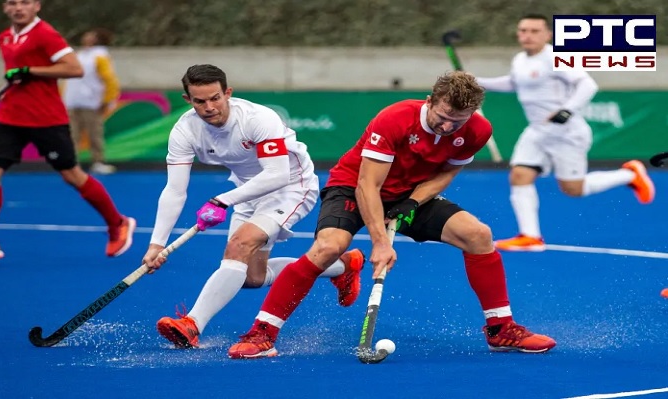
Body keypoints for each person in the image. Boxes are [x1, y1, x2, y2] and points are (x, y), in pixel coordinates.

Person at [227, 71, 557, 359]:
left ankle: (500, 329)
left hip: (410, 193)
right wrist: (380, 242)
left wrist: (412, 203)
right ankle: (262, 333)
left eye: (456, 121)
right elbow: (367, 185)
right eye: (442, 116)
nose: (446, 126)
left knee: (478, 235)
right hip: (353, 187)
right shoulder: (395, 119)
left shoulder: (477, 131)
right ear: (430, 100)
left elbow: (445, 174)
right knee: (327, 249)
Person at [142, 64, 364, 349]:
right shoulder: (184, 130)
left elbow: (277, 174)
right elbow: (174, 190)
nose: (209, 107)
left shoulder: (258, 118)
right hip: (248, 191)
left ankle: (192, 324)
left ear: (228, 93)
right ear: (188, 100)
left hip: (291, 186)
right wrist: (156, 244)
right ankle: (342, 265)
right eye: (200, 101)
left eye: (215, 98)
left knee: (239, 245)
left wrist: (222, 200)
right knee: (250, 277)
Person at [0, 0, 136, 264]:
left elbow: (74, 68)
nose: (18, 8)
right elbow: (15, 79)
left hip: (46, 119)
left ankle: (118, 223)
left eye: (25, 2)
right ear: (4, 8)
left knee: (72, 175)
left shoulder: (45, 34)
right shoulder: (5, 38)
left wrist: (30, 71)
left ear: (36, 6)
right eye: (12, 3)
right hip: (10, 117)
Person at [475, 14, 655, 252]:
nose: (527, 35)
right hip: (537, 132)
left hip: (566, 134)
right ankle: (530, 237)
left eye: (534, 31)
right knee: (519, 175)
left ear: (548, 34)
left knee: (573, 190)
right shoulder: (520, 59)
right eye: (523, 30)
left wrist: (566, 110)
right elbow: (515, 83)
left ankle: (629, 175)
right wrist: (477, 81)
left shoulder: (556, 58)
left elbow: (588, 84)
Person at [63, 28, 120, 175]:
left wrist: (107, 99)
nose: (86, 36)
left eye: (90, 35)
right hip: (73, 100)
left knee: (94, 133)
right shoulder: (80, 54)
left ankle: (98, 161)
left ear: (96, 38)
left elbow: (109, 79)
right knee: (72, 134)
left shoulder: (100, 55)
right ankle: (72, 163)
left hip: (91, 101)